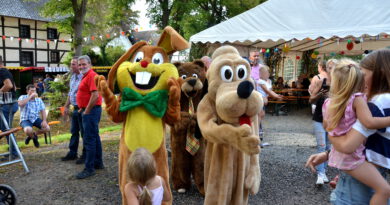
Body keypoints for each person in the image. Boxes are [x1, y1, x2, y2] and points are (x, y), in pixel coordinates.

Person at [306, 49, 390, 204]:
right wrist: (328, 153)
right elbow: (360, 137)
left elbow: (346, 145)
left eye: (363, 74)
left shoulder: (376, 102)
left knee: (383, 191)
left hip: (358, 184)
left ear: (379, 74)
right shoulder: (365, 101)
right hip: (361, 177)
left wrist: (330, 137)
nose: (361, 79)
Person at [308, 59, 337, 186]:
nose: (331, 69)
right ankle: (321, 173)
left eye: (334, 67)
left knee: (329, 147)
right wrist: (320, 93)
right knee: (321, 145)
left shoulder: (340, 83)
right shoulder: (321, 81)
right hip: (319, 118)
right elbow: (311, 99)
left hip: (333, 120)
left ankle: (323, 171)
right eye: (329, 67)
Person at [75, 55, 103, 179]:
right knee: (95, 137)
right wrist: (82, 107)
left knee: (89, 139)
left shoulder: (91, 75)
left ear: (90, 64)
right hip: (88, 110)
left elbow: (95, 95)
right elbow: (86, 94)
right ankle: (98, 163)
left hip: (91, 112)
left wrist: (86, 110)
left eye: (83, 64)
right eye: (79, 64)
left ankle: (89, 168)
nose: (81, 67)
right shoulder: (86, 76)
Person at [61, 56, 85, 163]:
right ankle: (72, 153)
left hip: (83, 108)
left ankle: (85, 155)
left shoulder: (83, 77)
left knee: (84, 133)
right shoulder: (72, 77)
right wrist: (66, 106)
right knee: (74, 131)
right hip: (75, 108)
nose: (71, 66)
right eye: (71, 64)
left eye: (74, 64)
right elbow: (70, 94)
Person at [0, 55, 19, 159]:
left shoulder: (2, 71)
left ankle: (14, 152)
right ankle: (13, 151)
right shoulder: (6, 71)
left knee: (6, 129)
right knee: (5, 129)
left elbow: (9, 85)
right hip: (10, 104)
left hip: (8, 105)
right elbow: (14, 87)